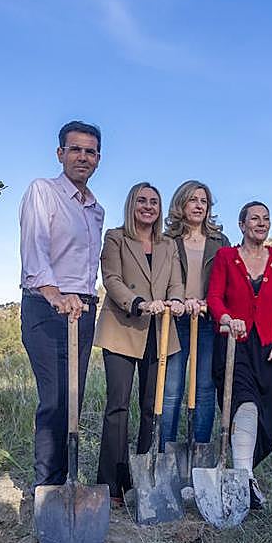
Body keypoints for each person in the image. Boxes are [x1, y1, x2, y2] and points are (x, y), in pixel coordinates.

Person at [18, 120, 104, 489]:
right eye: (75, 149)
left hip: (82, 311)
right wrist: (53, 294)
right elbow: (35, 248)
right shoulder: (44, 192)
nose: (82, 157)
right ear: (60, 153)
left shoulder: (95, 209)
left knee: (73, 401)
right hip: (47, 308)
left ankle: (68, 482)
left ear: (98, 158)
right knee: (53, 401)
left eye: (90, 151)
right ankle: (47, 488)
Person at [94, 183, 185, 506]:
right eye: (142, 201)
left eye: (154, 202)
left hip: (159, 330)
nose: (148, 206)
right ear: (132, 205)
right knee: (117, 406)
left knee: (152, 407)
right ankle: (111, 482)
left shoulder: (168, 244)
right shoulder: (116, 238)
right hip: (122, 326)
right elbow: (112, 278)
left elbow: (176, 281)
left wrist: (175, 300)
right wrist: (137, 303)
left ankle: (141, 481)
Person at [207, 201, 272, 509]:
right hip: (234, 344)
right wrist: (227, 319)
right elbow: (214, 297)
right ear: (241, 225)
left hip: (269, 345)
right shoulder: (226, 256)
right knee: (245, 404)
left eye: (266, 219)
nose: (261, 223)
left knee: (268, 422)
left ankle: (244, 471)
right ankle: (244, 481)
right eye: (254, 218)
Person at [160, 180, 231, 451]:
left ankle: (199, 450)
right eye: (193, 200)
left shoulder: (219, 241)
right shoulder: (167, 241)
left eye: (203, 201)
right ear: (181, 204)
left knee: (204, 388)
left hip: (207, 321)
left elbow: (228, 282)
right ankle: (165, 449)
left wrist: (209, 304)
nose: (199, 205)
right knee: (171, 390)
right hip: (174, 320)